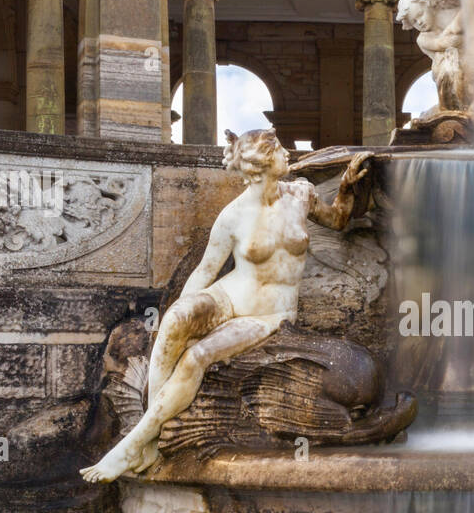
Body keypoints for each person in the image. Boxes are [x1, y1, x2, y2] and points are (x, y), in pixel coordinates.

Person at [81, 130, 372, 483]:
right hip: (229, 296)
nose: (287, 153)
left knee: (196, 357)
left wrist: (346, 189)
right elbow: (205, 271)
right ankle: (150, 437)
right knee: (176, 320)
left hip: (269, 314)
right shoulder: (233, 215)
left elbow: (339, 220)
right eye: (278, 149)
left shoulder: (301, 194)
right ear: (261, 164)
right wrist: (178, 310)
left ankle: (134, 445)